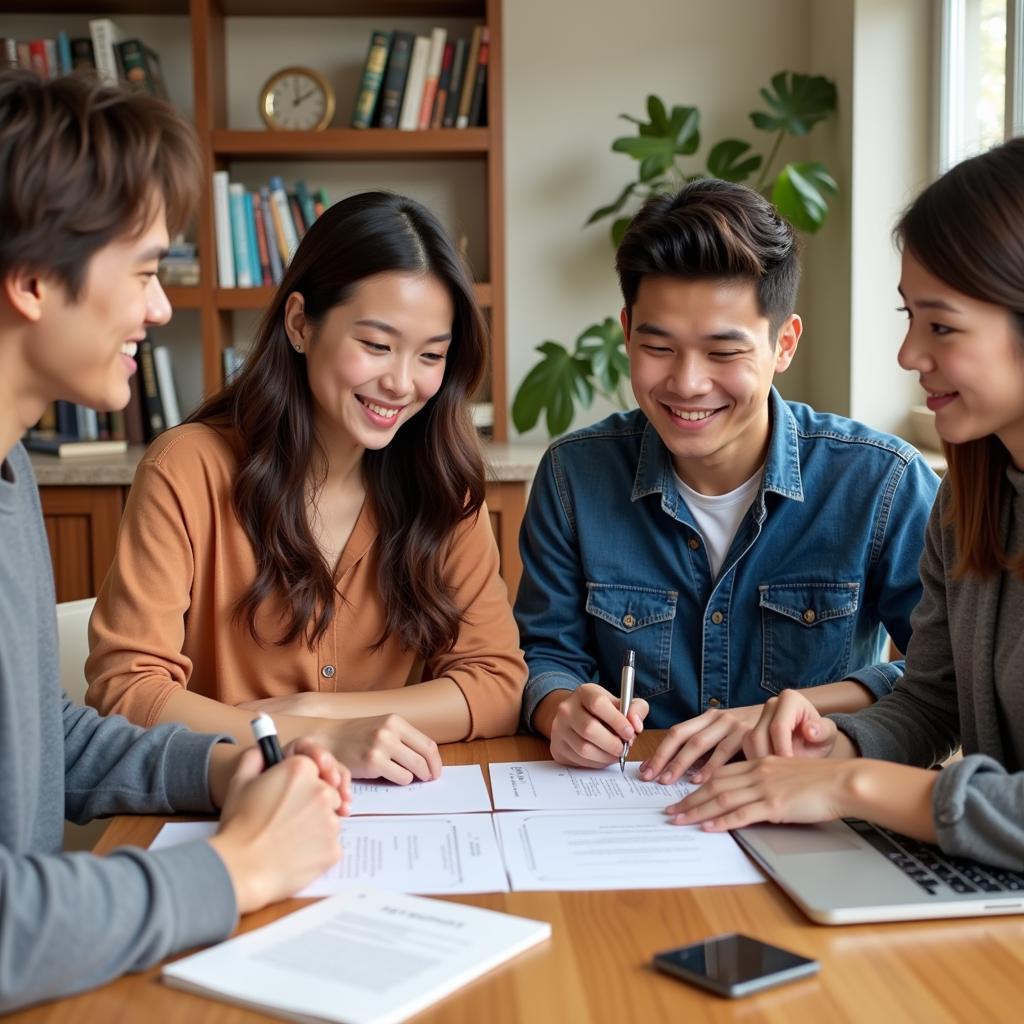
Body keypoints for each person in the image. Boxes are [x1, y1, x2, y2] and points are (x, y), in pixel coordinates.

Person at [0, 69, 351, 1012]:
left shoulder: (10, 469)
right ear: (33, 281)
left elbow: (41, 740)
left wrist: (220, 765)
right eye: (148, 270)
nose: (160, 310)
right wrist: (234, 873)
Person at [85, 190, 527, 784]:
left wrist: (321, 713)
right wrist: (316, 739)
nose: (401, 382)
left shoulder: (443, 483)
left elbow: (496, 683)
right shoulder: (186, 470)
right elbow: (127, 693)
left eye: (430, 355)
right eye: (376, 345)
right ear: (300, 323)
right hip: (238, 811)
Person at [667, 138, 1024, 871]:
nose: (908, 355)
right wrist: (835, 742)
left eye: (942, 326)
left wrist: (851, 783)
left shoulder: (889, 476)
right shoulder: (972, 498)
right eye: (909, 318)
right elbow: (931, 701)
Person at [515, 178, 940, 780]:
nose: (687, 384)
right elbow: (546, 653)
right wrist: (562, 710)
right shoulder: (573, 475)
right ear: (626, 331)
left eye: (723, 353)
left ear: (783, 344)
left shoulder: (880, 483)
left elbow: (941, 679)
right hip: (630, 805)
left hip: (804, 805)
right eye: (657, 346)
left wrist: (785, 714)